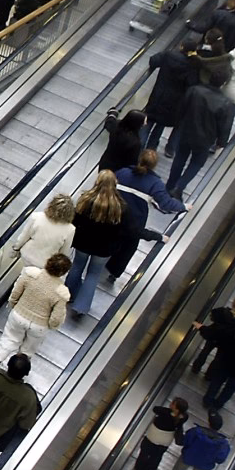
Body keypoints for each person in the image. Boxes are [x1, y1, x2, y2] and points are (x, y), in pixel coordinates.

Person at [109, 150, 186, 281]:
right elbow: (165, 204)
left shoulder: (123, 172)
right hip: (135, 221)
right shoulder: (155, 184)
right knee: (128, 247)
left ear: (139, 159)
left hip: (112, 213)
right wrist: (183, 207)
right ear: (154, 165)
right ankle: (114, 273)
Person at [66, 171, 128, 320]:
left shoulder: (85, 199)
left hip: (83, 243)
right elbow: (123, 230)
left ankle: (68, 294)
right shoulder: (120, 206)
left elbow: (75, 221)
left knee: (77, 266)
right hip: (104, 248)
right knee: (93, 275)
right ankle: (81, 307)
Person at [165, 72, 235, 199]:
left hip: (187, 130)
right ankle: (179, 187)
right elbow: (224, 125)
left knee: (180, 158)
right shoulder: (225, 103)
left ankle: (170, 184)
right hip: (206, 138)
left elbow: (182, 108)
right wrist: (221, 142)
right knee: (196, 163)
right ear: (223, 84)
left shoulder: (194, 90)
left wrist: (178, 122)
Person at [0, 253, 71, 364]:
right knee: (27, 351)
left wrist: (13, 304)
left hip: (19, 315)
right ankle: (16, 371)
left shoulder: (31, 274)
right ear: (63, 272)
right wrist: (51, 325)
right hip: (39, 326)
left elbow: (16, 292)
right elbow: (57, 318)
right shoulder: (61, 292)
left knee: (9, 340)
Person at [10, 194, 76, 270]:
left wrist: (16, 249)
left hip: (27, 256)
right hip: (46, 264)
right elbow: (64, 253)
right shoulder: (70, 229)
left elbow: (23, 237)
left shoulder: (36, 217)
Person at [134, 397, 189, 470]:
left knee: (144, 453)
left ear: (177, 409)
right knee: (156, 458)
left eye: (173, 404)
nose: (171, 404)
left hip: (152, 437)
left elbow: (155, 409)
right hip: (165, 441)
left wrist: (169, 410)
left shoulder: (165, 412)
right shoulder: (183, 417)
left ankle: (138, 468)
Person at [191, 296, 235, 375]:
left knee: (205, 351)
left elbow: (212, 316)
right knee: (218, 358)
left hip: (214, 335)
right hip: (226, 341)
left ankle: (196, 368)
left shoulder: (221, 311)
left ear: (233, 303)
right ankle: (209, 374)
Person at [98, 108, 145, 173]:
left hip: (105, 162)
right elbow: (132, 162)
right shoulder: (135, 143)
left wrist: (113, 113)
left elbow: (109, 122)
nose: (145, 124)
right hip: (119, 170)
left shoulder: (116, 126)